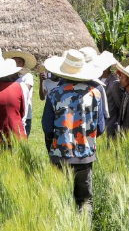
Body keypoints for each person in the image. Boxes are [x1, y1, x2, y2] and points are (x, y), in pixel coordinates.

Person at [41, 49, 105, 211]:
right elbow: (101, 128)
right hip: (85, 157)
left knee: (60, 199)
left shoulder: (55, 94)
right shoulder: (95, 94)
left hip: (59, 155)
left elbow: (47, 128)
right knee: (84, 201)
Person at [6, 49, 37, 135]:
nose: (16, 64)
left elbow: (25, 90)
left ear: (23, 64)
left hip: (25, 112)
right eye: (14, 61)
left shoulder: (27, 76)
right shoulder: (8, 77)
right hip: (11, 111)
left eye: (19, 62)